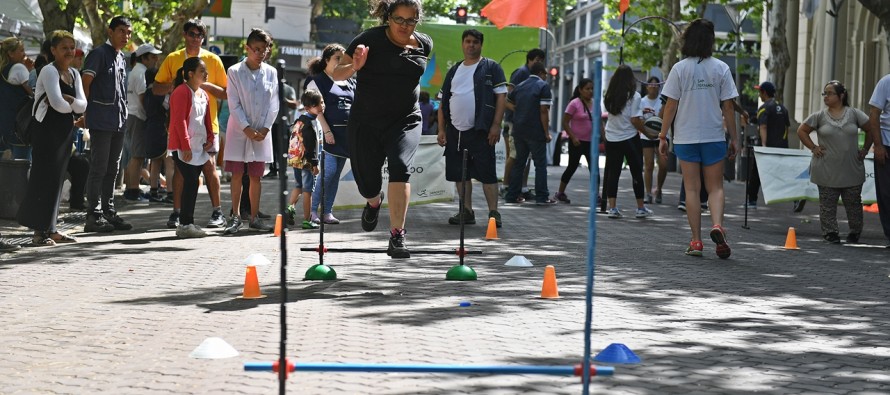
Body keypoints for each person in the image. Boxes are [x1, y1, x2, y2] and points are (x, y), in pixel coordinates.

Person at [330, 0, 433, 259]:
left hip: (405, 120)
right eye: (399, 19)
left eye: (411, 21)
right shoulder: (368, 39)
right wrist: (355, 65)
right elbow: (336, 74)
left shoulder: (424, 43)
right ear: (388, 18)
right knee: (368, 183)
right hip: (367, 121)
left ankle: (397, 236)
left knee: (400, 167)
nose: (405, 26)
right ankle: (373, 202)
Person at [658, 18, 739, 259]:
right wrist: (734, 138)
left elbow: (671, 105)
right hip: (713, 135)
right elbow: (728, 108)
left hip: (685, 136)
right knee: (715, 187)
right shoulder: (721, 68)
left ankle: (695, 241)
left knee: (691, 189)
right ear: (711, 41)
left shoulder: (679, 68)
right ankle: (717, 225)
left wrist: (662, 136)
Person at [154, 18, 228, 229]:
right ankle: (179, 214)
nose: (196, 39)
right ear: (185, 35)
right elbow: (156, 89)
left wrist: (203, 84)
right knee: (181, 171)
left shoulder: (213, 60)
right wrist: (180, 85)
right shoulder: (173, 58)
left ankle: (217, 212)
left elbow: (225, 93)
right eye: (192, 34)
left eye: (200, 35)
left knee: (209, 167)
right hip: (181, 129)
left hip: (208, 125)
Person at [16, 30, 86, 245]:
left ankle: (52, 229)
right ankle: (39, 232)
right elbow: (56, 102)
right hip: (45, 131)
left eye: (71, 47)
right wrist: (73, 106)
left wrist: (71, 101)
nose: (69, 51)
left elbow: (83, 104)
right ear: (53, 50)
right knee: (43, 179)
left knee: (57, 179)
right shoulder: (48, 70)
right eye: (64, 47)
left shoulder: (74, 73)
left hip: (64, 131)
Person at [436, 28, 507, 227]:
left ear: (480, 45)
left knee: (487, 173)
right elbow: (442, 102)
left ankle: (494, 213)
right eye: (467, 41)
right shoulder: (454, 70)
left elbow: (502, 96)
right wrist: (441, 129)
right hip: (455, 132)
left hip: (482, 131)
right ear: (462, 44)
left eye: (475, 42)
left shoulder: (491, 67)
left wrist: (495, 125)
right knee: (460, 173)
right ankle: (466, 211)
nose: (471, 45)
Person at [798, 81, 874, 244]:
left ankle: (855, 232)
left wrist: (865, 149)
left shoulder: (854, 114)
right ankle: (830, 232)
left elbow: (871, 129)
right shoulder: (819, 116)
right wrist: (813, 147)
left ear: (841, 95)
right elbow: (801, 130)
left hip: (851, 168)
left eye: (830, 93)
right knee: (827, 204)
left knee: (853, 203)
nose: (826, 96)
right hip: (826, 168)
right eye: (824, 93)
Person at [221, 28, 279, 234]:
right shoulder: (234, 71)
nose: (260, 53)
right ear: (247, 48)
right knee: (237, 174)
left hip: (262, 132)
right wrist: (246, 128)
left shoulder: (271, 72)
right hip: (239, 130)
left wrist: (264, 128)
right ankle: (235, 216)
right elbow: (233, 103)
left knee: (256, 176)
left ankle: (254, 217)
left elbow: (274, 104)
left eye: (264, 49)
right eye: (256, 49)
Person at [81, 16, 133, 233]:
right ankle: (93, 215)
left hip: (118, 120)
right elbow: (86, 82)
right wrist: (84, 111)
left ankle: (108, 211)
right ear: (110, 32)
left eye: (128, 32)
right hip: (101, 120)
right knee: (99, 167)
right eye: (121, 31)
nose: (126, 36)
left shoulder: (121, 57)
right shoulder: (99, 54)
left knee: (113, 168)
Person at [305, 43, 354, 225]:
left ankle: (327, 212)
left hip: (345, 137)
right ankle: (311, 211)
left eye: (343, 59)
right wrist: (326, 130)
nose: (340, 62)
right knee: (327, 173)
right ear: (326, 60)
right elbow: (315, 109)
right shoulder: (316, 80)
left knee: (335, 176)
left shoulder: (348, 80)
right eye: (336, 59)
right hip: (325, 135)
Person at [168, 57, 214, 238]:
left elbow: (206, 120)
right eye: (202, 71)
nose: (206, 74)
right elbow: (179, 121)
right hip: (183, 147)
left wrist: (210, 137)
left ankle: (187, 223)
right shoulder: (181, 91)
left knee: (193, 182)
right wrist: (185, 146)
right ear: (190, 74)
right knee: (191, 181)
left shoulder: (204, 94)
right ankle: (185, 224)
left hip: (199, 147)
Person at [602, 65, 651, 219]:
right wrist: (649, 134)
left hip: (611, 137)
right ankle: (640, 208)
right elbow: (635, 120)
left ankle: (613, 208)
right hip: (630, 138)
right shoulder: (634, 96)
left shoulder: (608, 95)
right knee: (636, 171)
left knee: (613, 173)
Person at [504, 62, 555, 205]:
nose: (546, 76)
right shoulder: (543, 86)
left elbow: (506, 100)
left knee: (519, 163)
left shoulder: (520, 86)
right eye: (545, 74)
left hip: (518, 130)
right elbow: (544, 111)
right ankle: (542, 197)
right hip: (535, 131)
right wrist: (546, 133)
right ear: (540, 73)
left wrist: (519, 111)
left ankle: (511, 195)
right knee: (540, 165)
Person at [123, 43, 161, 201]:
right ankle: (132, 191)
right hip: (138, 116)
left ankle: (132, 190)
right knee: (137, 156)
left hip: (132, 115)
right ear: (143, 58)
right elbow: (143, 98)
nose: (156, 60)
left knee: (135, 155)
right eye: (152, 57)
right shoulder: (141, 73)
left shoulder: (135, 72)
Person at [745, 81, 790, 209]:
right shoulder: (783, 108)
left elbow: (763, 126)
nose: (759, 95)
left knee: (756, 173)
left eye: (760, 92)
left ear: (764, 92)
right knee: (784, 173)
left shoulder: (764, 108)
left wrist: (764, 145)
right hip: (782, 146)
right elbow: (786, 128)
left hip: (768, 147)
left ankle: (752, 200)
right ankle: (796, 198)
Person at [555, 78, 595, 205]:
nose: (590, 91)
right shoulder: (574, 103)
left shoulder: (595, 103)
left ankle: (596, 195)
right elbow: (565, 122)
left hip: (591, 142)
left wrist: (604, 137)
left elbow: (599, 123)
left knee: (594, 170)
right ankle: (560, 192)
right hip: (577, 142)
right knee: (572, 167)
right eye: (587, 89)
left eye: (592, 89)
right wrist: (573, 137)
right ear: (580, 90)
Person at [286, 89, 322, 229]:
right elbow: (310, 146)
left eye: (322, 102)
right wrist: (315, 164)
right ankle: (307, 220)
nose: (321, 106)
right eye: (318, 104)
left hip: (296, 159)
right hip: (307, 161)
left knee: (298, 186)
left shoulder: (300, 119)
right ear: (308, 108)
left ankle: (290, 208)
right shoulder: (310, 124)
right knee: (308, 190)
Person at [0, 37, 35, 160]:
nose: (24, 54)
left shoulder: (2, 69)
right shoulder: (19, 68)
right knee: (22, 168)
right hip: (19, 126)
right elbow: (34, 92)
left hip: (4, 125)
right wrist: (31, 70)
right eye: (21, 50)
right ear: (10, 53)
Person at [866, 73, 890, 247]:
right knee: (886, 193)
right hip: (886, 146)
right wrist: (878, 146)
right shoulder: (886, 82)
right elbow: (874, 116)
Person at [640, 76, 666, 204]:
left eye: (656, 85)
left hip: (661, 135)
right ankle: (648, 193)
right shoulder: (641, 101)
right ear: (646, 86)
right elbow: (639, 119)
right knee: (648, 165)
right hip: (646, 136)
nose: (653, 86)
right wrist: (647, 130)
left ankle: (659, 189)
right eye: (651, 84)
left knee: (663, 165)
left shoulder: (663, 101)